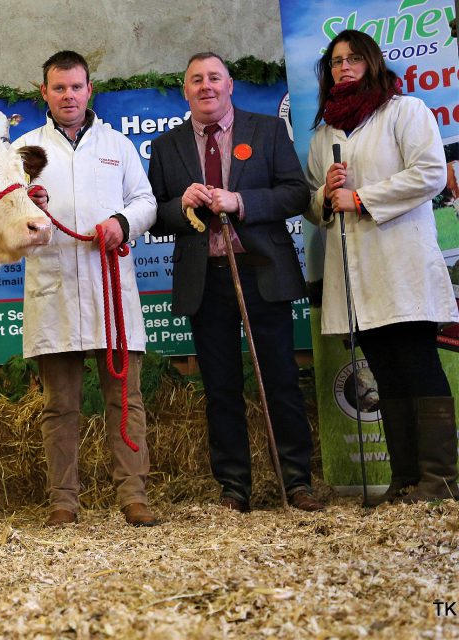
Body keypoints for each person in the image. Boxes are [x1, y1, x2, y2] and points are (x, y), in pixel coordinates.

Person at [148, 52, 324, 513]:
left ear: (230, 86)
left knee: (281, 379)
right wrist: (181, 205)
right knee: (220, 386)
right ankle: (233, 487)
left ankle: (296, 480)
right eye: (195, 80)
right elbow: (155, 217)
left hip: (261, 272)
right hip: (205, 280)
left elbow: (295, 193)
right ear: (185, 90)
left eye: (214, 78)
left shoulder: (265, 131)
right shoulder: (167, 147)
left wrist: (240, 200)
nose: (206, 86)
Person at [304, 29, 457, 504]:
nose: (343, 67)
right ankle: (406, 478)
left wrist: (362, 198)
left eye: (352, 59)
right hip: (357, 277)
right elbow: (314, 206)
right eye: (334, 62)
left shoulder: (404, 111)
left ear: (371, 62)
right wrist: (326, 196)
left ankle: (441, 479)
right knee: (385, 374)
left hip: (401, 264)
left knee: (417, 362)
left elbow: (431, 172)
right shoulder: (323, 134)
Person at [13, 50, 159, 527]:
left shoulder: (117, 144)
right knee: (59, 406)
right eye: (59, 88)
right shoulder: (23, 150)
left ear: (89, 90)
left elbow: (146, 202)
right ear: (45, 93)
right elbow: (6, 219)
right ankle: (63, 502)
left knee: (126, 400)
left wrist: (121, 222)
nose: (68, 96)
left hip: (110, 287)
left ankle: (133, 496)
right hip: (54, 290)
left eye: (76, 87)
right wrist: (26, 208)